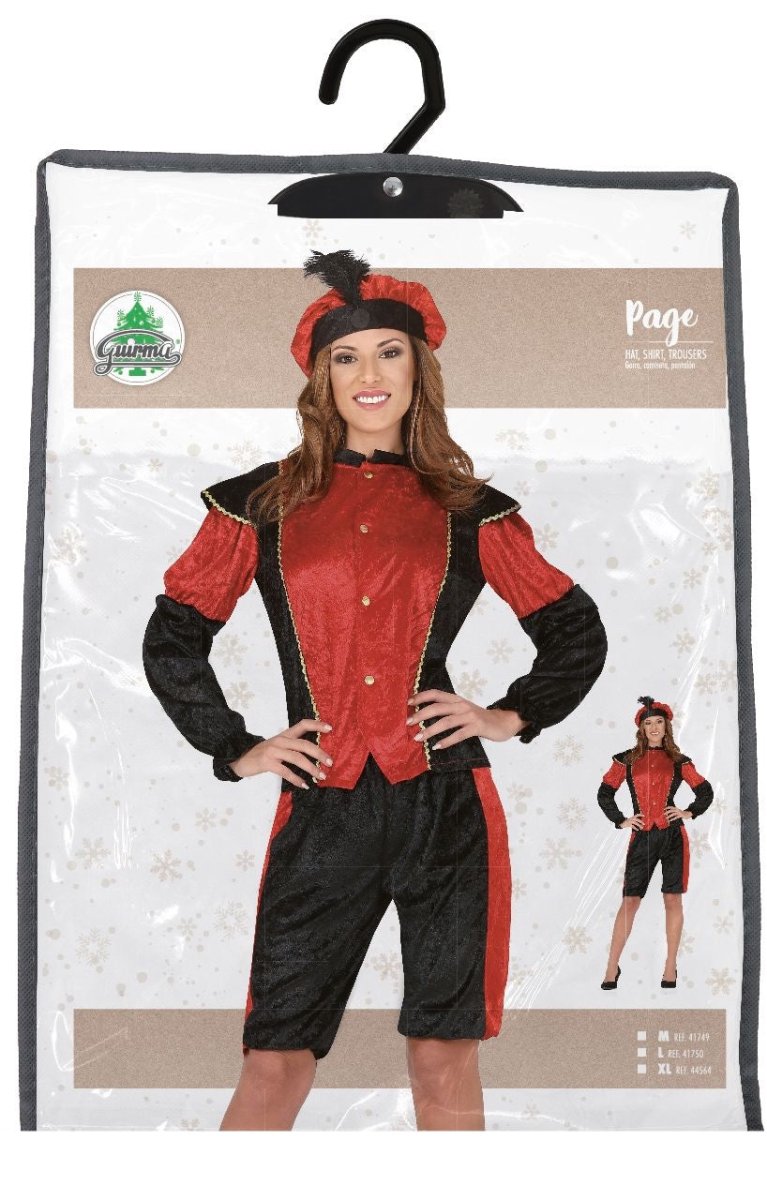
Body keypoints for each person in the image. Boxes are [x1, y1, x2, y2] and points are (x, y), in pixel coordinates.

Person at [142, 249, 608, 1131]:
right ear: (321, 377)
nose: (369, 374)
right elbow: (174, 635)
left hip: (447, 806)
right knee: (275, 1059)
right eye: (346, 357)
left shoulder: (472, 510)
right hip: (322, 804)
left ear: (417, 368)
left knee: (442, 1054)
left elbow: (573, 629)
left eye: (389, 353)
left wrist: (506, 714)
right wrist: (235, 747)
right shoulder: (257, 504)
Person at [597, 695, 714, 991]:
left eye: (658, 722)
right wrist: (621, 819)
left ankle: (670, 965)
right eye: (648, 723)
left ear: (666, 726)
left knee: (672, 899)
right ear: (641, 728)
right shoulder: (626, 760)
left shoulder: (679, 761)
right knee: (630, 900)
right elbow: (604, 792)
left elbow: (705, 791)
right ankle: (611, 966)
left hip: (673, 836)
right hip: (642, 837)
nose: (653, 727)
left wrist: (688, 812)